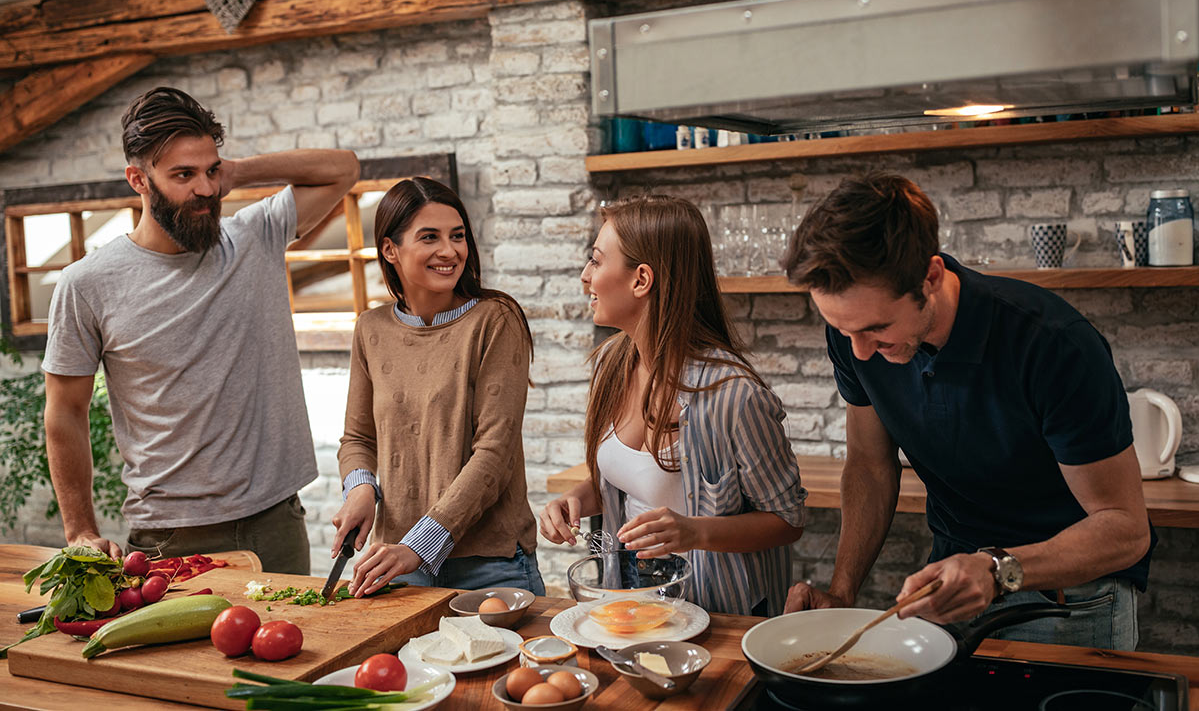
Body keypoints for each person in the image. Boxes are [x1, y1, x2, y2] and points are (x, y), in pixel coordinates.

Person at [781, 174, 1153, 650]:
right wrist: (842, 590)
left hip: (1067, 601)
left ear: (930, 277)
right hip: (949, 585)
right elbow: (871, 466)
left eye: (876, 329)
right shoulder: (855, 334)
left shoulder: (1054, 344)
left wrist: (997, 568)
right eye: (842, 328)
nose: (860, 351)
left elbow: (1125, 530)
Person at [42, 86, 360, 572]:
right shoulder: (86, 284)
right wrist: (80, 530)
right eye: (183, 175)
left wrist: (239, 170)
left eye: (211, 171)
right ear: (138, 180)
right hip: (170, 535)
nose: (206, 189)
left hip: (277, 521)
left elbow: (344, 169)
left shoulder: (253, 237)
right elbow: (65, 412)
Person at [540, 195, 807, 617]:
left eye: (595, 261)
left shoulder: (734, 395)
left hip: (720, 615)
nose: (584, 275)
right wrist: (576, 498)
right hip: (631, 603)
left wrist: (694, 532)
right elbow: (631, 484)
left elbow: (788, 520)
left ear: (641, 280)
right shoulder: (613, 363)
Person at [334, 177, 545, 597]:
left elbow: (494, 453)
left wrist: (418, 545)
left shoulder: (495, 320)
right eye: (430, 237)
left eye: (458, 236)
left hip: (489, 566)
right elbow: (358, 437)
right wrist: (360, 488)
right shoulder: (371, 329)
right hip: (395, 565)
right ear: (390, 249)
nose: (450, 251)